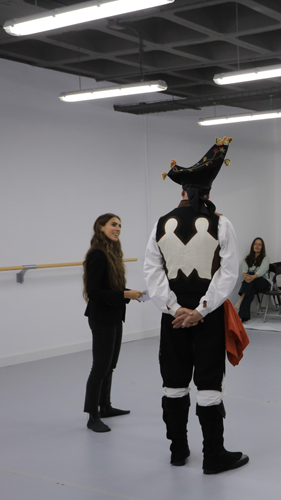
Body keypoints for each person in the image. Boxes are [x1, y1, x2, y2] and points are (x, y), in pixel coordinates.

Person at [144, 137, 248, 474]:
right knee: (208, 384)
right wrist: (200, 310)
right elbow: (228, 274)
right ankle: (213, 456)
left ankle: (178, 451)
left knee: (173, 382)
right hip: (207, 318)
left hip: (172, 319)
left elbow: (152, 272)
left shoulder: (160, 223)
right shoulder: (223, 223)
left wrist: (175, 309)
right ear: (209, 190)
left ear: (183, 192)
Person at [83, 213, 144, 433]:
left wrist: (129, 293)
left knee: (110, 365)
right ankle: (92, 415)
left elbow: (112, 288)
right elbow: (95, 292)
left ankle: (105, 406)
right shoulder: (98, 254)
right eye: (113, 224)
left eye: (119, 225)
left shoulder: (111, 252)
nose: (117, 228)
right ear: (100, 227)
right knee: (100, 367)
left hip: (114, 316)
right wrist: (125, 295)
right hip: (101, 318)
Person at [236, 237, 271, 322]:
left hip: (263, 282)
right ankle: (243, 317)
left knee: (250, 274)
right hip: (252, 282)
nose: (257, 246)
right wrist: (245, 275)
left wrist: (252, 276)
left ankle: (241, 298)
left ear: (262, 247)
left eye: (260, 245)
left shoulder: (265, 258)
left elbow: (261, 271)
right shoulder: (247, 258)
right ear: (252, 246)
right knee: (250, 291)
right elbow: (244, 269)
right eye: (255, 244)